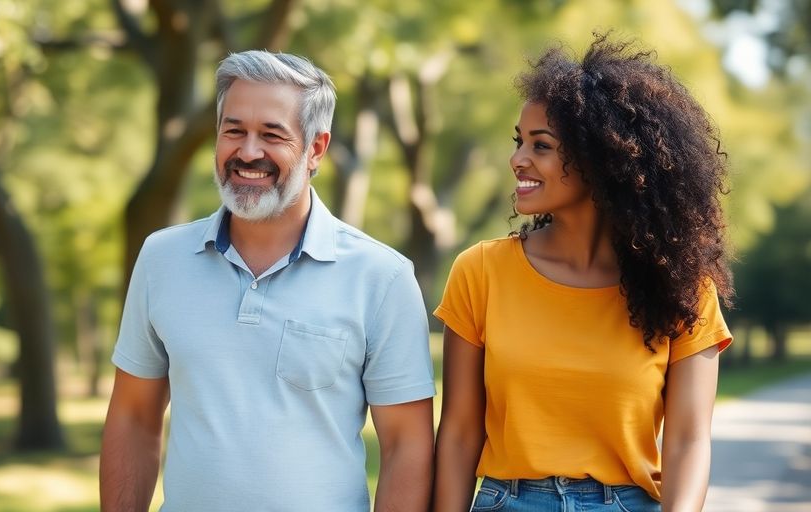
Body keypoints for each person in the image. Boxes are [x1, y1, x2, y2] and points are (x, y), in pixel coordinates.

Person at [99, 50, 436, 512]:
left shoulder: (383, 278)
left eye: (271, 135)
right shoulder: (161, 258)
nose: (248, 152)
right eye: (233, 130)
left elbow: (406, 448)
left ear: (316, 149)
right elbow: (133, 418)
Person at [433, 33, 734, 512]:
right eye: (519, 142)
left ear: (604, 160)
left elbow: (688, 442)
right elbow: (459, 434)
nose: (517, 159)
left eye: (541, 145)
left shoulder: (683, 290)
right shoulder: (481, 271)